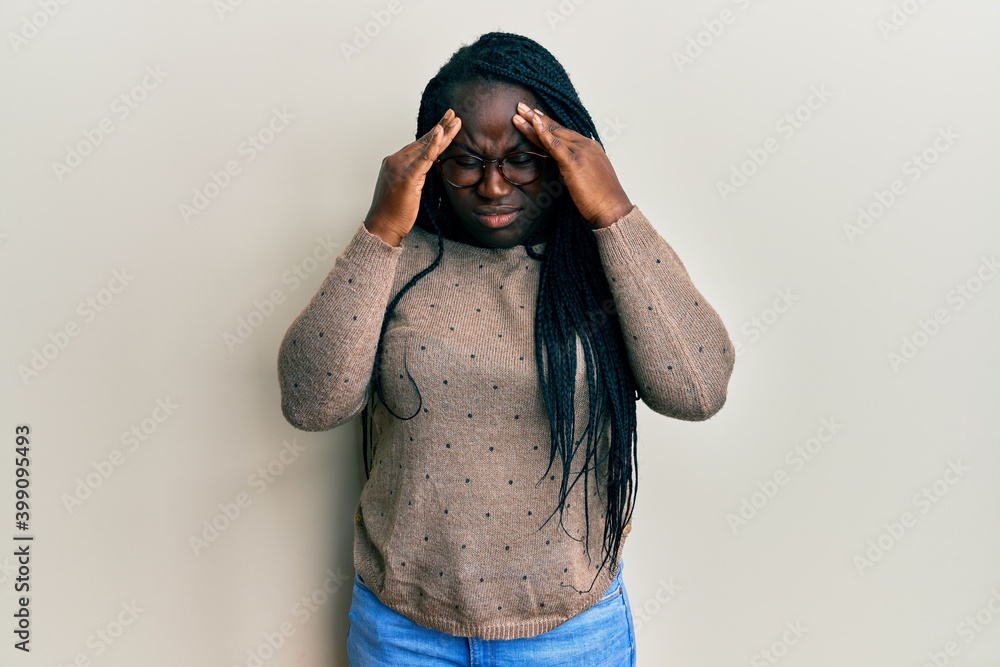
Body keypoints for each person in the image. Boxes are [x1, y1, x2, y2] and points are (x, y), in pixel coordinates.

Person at [277, 31, 735, 666]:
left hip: (569, 634)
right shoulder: (397, 260)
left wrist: (614, 212)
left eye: (521, 158)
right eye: (467, 161)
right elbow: (311, 402)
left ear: (562, 154)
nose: (493, 188)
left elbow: (698, 389)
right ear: (433, 161)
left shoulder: (602, 266)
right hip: (403, 632)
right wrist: (380, 227)